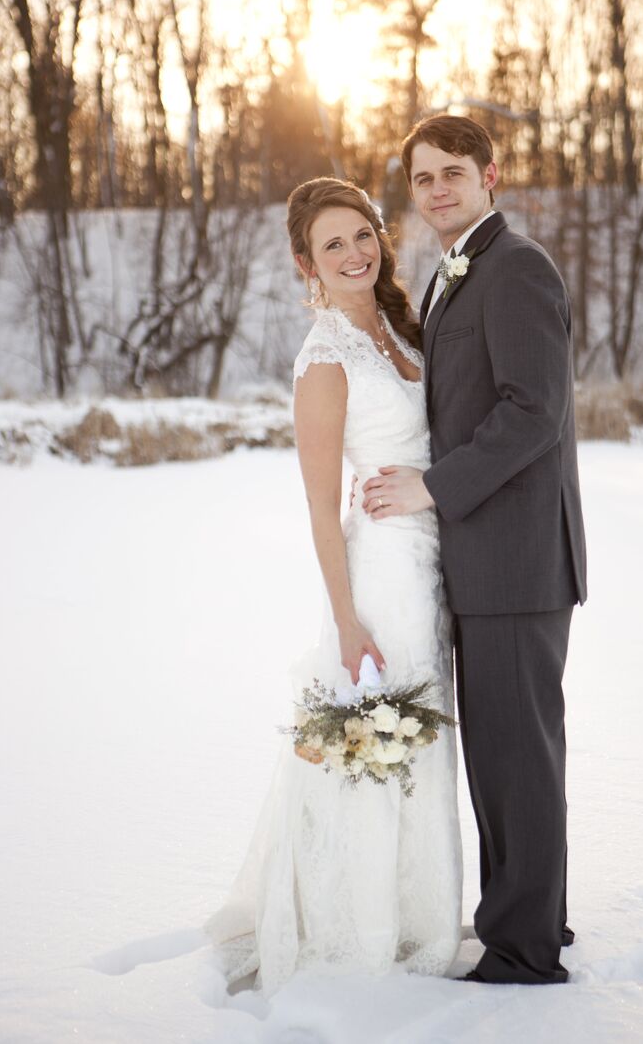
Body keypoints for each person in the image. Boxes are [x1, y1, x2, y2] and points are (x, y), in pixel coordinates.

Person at [204, 177, 462, 995]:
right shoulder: (323, 359)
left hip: (433, 560)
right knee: (378, 741)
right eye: (332, 245)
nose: (354, 254)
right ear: (304, 262)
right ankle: (359, 921)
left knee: (427, 745)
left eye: (362, 235)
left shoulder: (399, 326)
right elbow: (319, 511)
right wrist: (346, 623)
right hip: (378, 572)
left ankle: (420, 904)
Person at [362, 114, 587, 985]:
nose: (436, 190)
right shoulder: (453, 271)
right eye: (421, 178)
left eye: (452, 172)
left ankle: (524, 950)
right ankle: (532, 917)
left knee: (513, 755)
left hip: (519, 560)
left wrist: (431, 486)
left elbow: (533, 412)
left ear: (491, 176)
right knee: (505, 755)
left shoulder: (517, 266)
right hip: (483, 559)